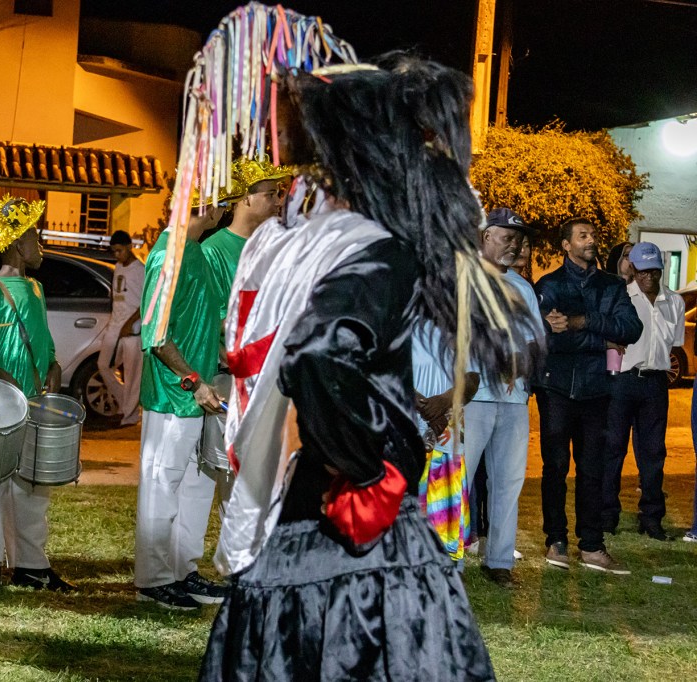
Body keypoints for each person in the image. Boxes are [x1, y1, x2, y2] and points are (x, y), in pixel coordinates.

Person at [198, 46, 529, 680]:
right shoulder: (378, 252)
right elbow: (319, 354)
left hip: (318, 509)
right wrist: (366, 469)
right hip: (355, 531)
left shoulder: (328, 242)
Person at [0, 195, 75, 593]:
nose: (40, 244)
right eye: (34, 236)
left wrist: (54, 364)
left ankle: (31, 564)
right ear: (15, 244)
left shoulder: (36, 288)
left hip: (34, 401)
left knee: (32, 484)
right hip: (2, 405)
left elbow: (41, 339)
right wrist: (5, 381)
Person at [134, 194, 228, 611]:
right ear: (206, 207)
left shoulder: (193, 252)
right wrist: (193, 380)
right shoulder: (168, 257)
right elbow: (156, 334)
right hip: (174, 397)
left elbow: (199, 323)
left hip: (194, 397)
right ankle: (153, 580)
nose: (224, 210)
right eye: (221, 202)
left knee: (189, 488)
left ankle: (180, 571)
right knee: (161, 486)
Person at [533, 218, 642, 575]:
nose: (591, 240)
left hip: (597, 390)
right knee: (555, 467)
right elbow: (550, 339)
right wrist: (603, 339)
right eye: (583, 236)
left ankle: (592, 545)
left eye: (593, 235)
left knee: (593, 469)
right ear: (566, 245)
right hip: (556, 388)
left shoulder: (612, 285)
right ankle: (556, 540)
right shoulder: (549, 285)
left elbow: (632, 329)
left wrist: (584, 321)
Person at [463, 207, 543, 585]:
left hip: (513, 400)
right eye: (507, 237)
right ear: (485, 236)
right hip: (471, 398)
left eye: (518, 239)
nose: (514, 245)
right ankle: (447, 559)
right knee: (458, 480)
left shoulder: (523, 288)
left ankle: (499, 561)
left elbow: (535, 342)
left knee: (508, 483)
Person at [602, 242, 684, 540]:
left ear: (661, 269)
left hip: (655, 383)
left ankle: (651, 518)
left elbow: (674, 343)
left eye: (654, 270)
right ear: (633, 269)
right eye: (643, 270)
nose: (648, 276)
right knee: (613, 449)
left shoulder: (675, 302)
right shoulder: (621, 298)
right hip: (622, 381)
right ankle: (606, 515)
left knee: (653, 453)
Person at [412, 323, 479, 562]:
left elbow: (472, 378)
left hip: (446, 438)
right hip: (407, 433)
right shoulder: (399, 321)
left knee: (442, 520)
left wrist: (444, 401)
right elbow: (384, 371)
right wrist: (427, 408)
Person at [201, 157, 289, 332]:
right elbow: (211, 319)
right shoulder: (212, 251)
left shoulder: (275, 243)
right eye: (270, 195)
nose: (278, 202)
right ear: (246, 198)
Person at [97, 229, 145, 426]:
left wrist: (129, 323)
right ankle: (126, 405)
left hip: (133, 330)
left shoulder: (140, 270)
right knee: (103, 365)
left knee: (133, 375)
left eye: (120, 250)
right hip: (115, 327)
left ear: (129, 247)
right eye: (114, 251)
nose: (117, 255)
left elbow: (145, 302)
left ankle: (130, 415)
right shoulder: (118, 267)